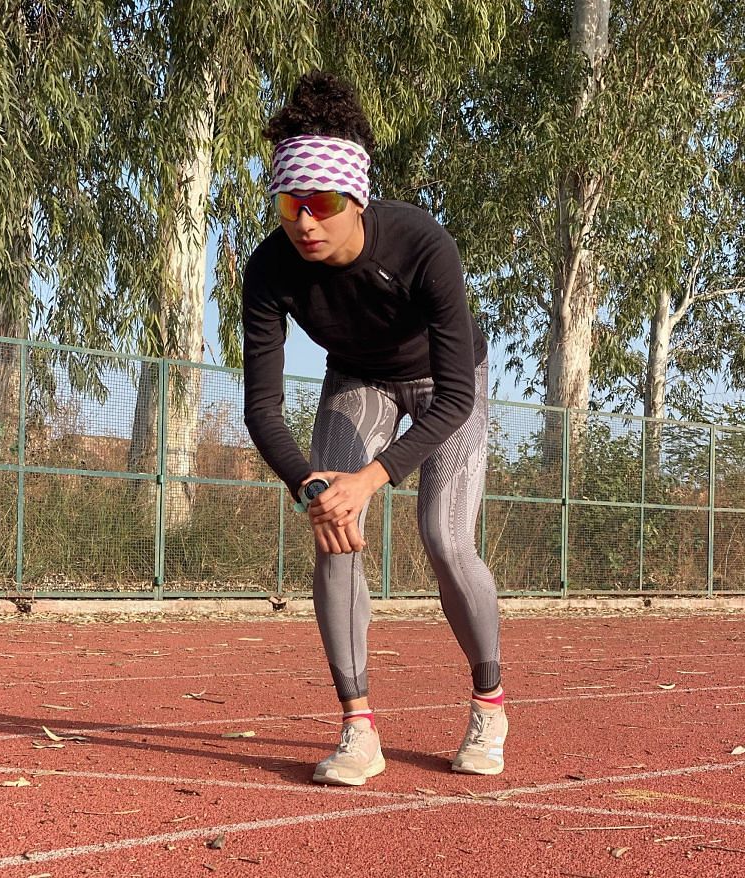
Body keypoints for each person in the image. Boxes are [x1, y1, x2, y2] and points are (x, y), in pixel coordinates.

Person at [242, 71, 506, 787]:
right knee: (332, 530)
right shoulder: (268, 270)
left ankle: (489, 704)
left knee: (445, 538)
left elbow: (453, 398)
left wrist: (371, 476)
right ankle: (358, 729)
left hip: (448, 382)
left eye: (322, 204)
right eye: (290, 205)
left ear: (355, 198)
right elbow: (262, 409)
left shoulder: (422, 243)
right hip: (358, 379)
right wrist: (313, 485)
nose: (305, 222)